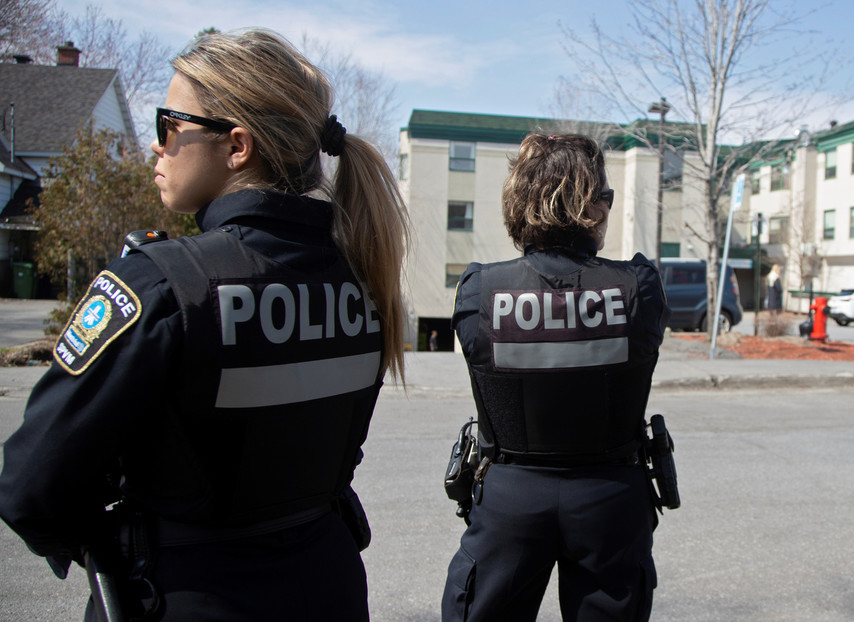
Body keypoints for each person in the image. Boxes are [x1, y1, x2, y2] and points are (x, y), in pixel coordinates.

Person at [0, 29, 408, 622]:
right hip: (329, 586)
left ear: (236, 146)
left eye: (169, 125)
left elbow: (32, 486)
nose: (156, 148)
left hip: (184, 594)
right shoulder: (363, 282)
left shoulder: (162, 286)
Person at [442, 134, 671, 621]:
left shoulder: (479, 290)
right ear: (588, 204)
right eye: (604, 196)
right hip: (611, 500)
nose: (608, 207)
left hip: (508, 498)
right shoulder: (639, 287)